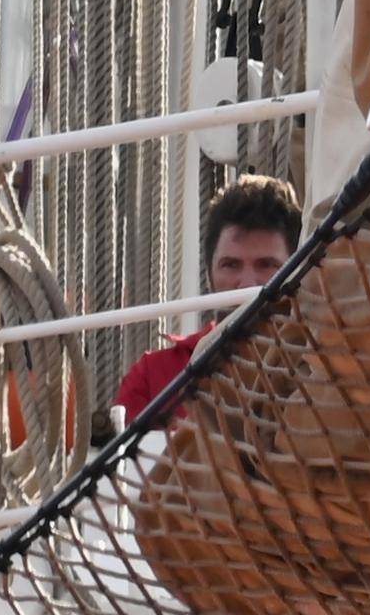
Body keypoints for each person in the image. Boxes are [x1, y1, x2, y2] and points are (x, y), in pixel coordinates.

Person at [110, 176, 299, 429]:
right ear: (209, 273)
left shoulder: (325, 371)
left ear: (296, 271)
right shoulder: (153, 378)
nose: (247, 284)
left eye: (267, 265)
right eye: (230, 265)